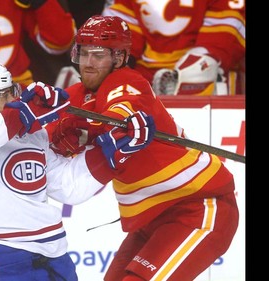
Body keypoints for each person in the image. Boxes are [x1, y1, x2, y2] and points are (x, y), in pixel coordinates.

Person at [47, 15, 239, 281]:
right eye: (84, 53)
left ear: (119, 58)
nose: (88, 63)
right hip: (152, 220)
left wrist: (108, 125)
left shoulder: (127, 81)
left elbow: (123, 109)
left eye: (99, 55)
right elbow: (43, 136)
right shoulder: (78, 94)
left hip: (195, 208)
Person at [0, 58, 156, 280]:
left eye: (15, 90)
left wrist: (111, 154)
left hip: (54, 254)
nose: (16, 98)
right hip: (2, 258)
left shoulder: (30, 134)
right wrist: (25, 112)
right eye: (7, 94)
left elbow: (67, 186)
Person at [101, 0, 246, 96]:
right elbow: (122, 32)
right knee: (105, 71)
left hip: (208, 79)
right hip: (146, 77)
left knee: (204, 69)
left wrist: (197, 66)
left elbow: (225, 34)